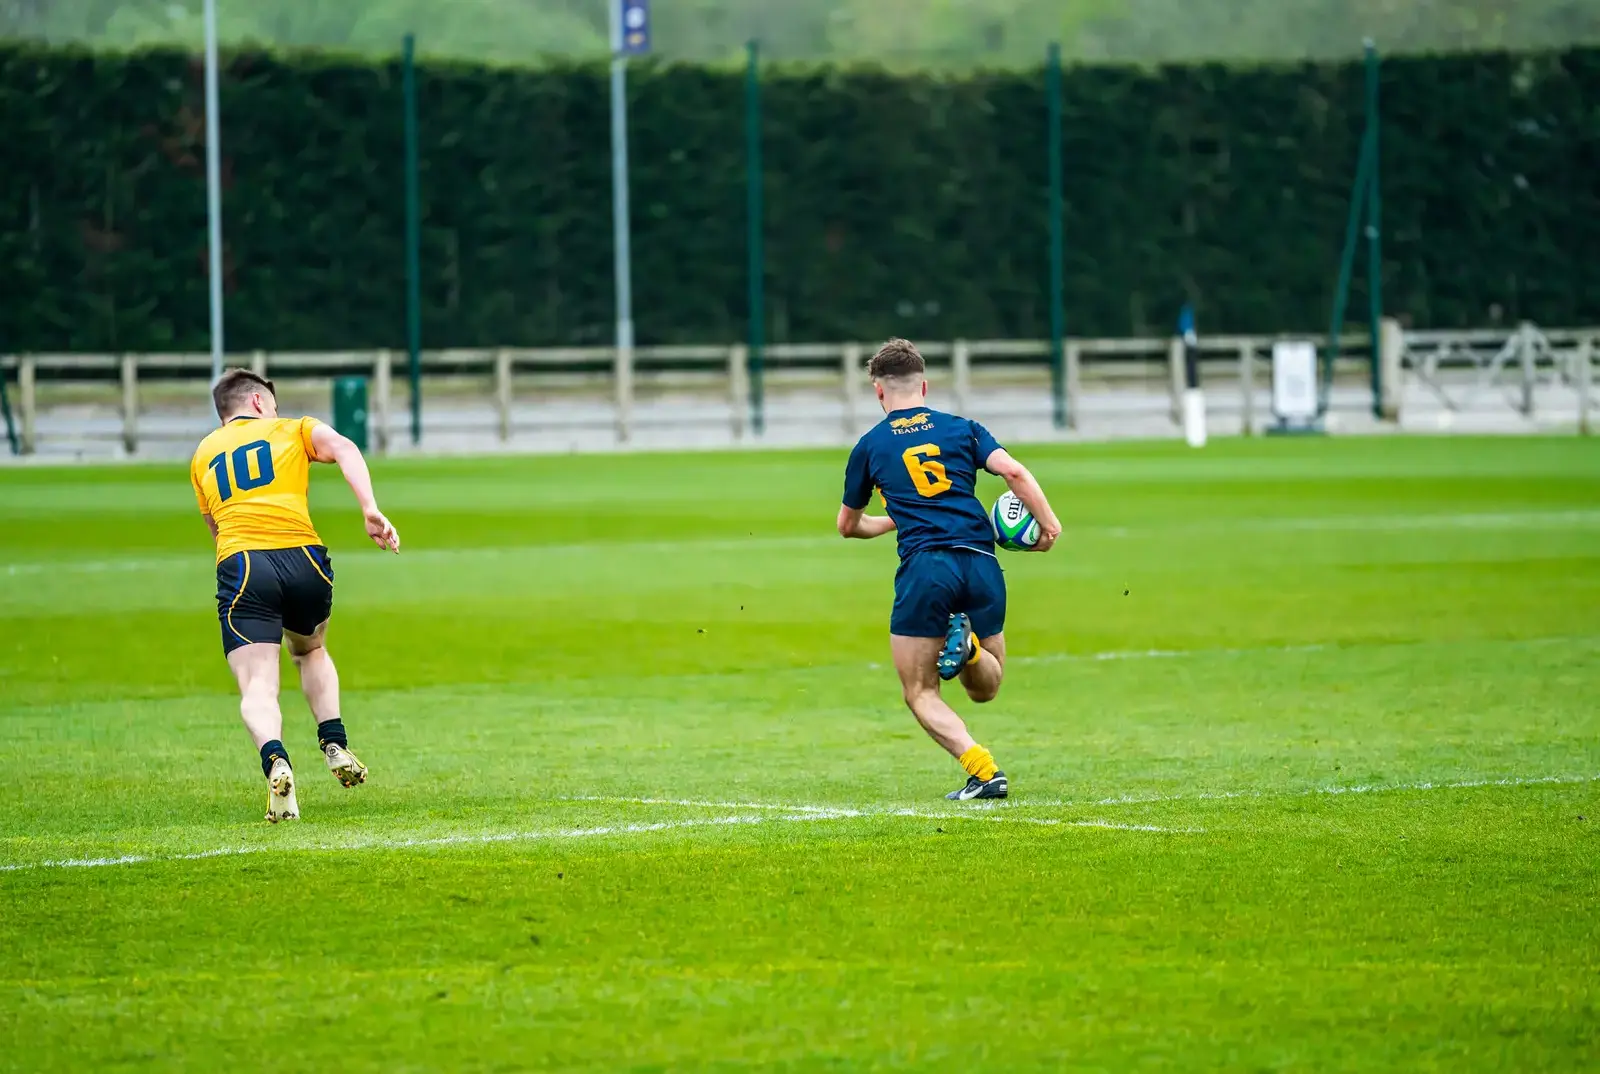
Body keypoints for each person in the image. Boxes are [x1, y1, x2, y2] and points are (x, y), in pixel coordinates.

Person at [837, 338, 1062, 800]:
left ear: (879, 393)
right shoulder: (964, 428)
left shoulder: (869, 446)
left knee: (920, 690)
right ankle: (972, 650)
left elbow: (848, 526)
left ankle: (984, 772)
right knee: (986, 685)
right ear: (924, 384)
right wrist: (1049, 525)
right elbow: (1015, 473)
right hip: (981, 561)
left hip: (926, 568)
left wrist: (891, 520)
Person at [191, 369, 400, 822]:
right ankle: (334, 742)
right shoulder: (293, 428)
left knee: (258, 683)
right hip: (304, 558)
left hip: (244, 563)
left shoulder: (203, 454)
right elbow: (345, 446)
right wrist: (370, 509)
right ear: (261, 403)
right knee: (311, 648)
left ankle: (276, 760)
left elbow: (216, 527)